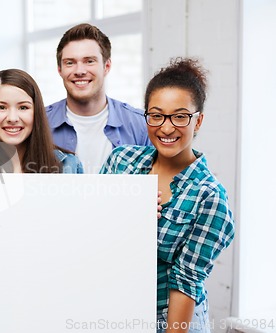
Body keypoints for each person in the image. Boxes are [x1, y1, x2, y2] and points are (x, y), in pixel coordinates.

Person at [101, 58, 235, 332]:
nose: (166, 127)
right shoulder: (121, 161)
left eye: (180, 116)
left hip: (169, 318)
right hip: (117, 304)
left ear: (198, 121)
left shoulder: (209, 197)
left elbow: (185, 283)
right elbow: (92, 226)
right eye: (157, 114)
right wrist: (126, 213)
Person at [46, 23, 150, 173]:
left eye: (89, 61)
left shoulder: (140, 125)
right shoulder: (39, 123)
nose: (80, 71)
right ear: (60, 70)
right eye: (70, 63)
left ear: (106, 66)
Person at [0, 68, 83, 174]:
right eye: (1, 107)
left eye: (23, 107)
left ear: (36, 111)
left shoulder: (69, 165)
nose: (12, 118)